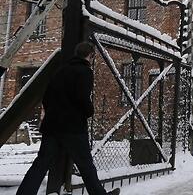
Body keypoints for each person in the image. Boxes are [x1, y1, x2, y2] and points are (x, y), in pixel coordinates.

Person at [17, 42, 120, 195]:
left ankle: (24, 193)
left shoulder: (61, 70)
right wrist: (89, 111)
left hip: (52, 125)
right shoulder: (85, 71)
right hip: (73, 127)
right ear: (90, 55)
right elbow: (81, 97)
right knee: (85, 164)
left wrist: (54, 111)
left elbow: (46, 97)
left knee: (41, 163)